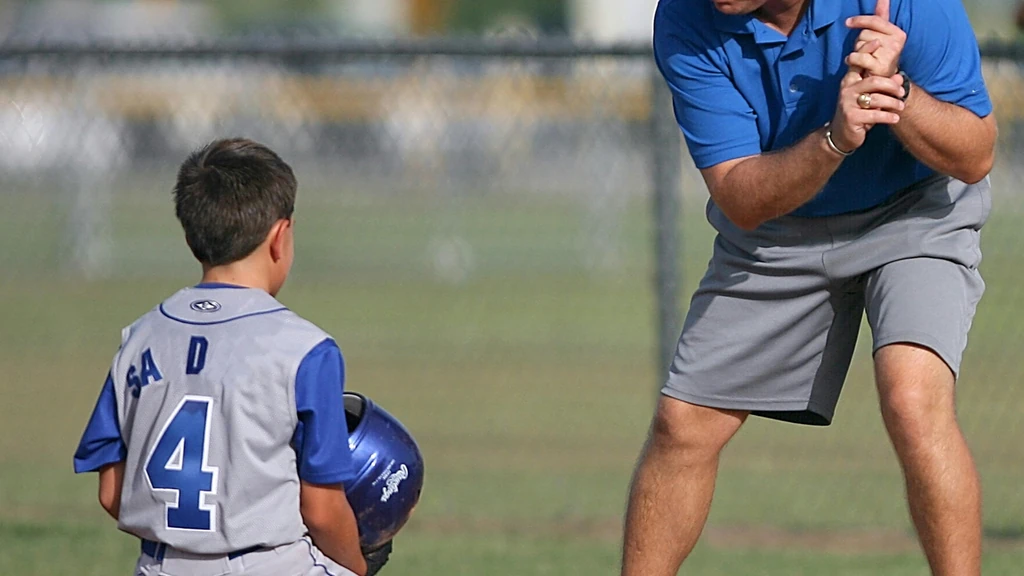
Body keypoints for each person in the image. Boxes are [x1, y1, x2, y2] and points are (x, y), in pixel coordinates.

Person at [622, 0, 997, 575]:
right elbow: (741, 197)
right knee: (683, 424)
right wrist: (834, 140)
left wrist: (895, 93)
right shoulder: (686, 18)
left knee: (912, 399)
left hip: (914, 210)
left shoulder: (904, 4)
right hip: (779, 224)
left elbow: (975, 155)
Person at [72, 138, 390, 576]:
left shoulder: (139, 339)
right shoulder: (305, 349)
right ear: (281, 237)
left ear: (190, 238)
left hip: (159, 566)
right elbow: (320, 510)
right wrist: (356, 567)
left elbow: (112, 493)